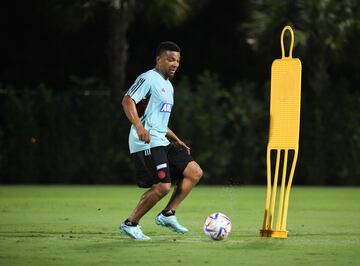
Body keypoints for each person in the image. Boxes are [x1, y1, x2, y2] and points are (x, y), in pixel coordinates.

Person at [120, 41, 203, 240]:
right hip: (146, 142)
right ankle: (130, 224)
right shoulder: (148, 78)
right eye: (170, 59)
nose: (175, 64)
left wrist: (177, 139)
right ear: (159, 59)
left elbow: (159, 121)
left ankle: (168, 214)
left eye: (177, 61)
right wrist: (139, 127)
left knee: (194, 172)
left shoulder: (168, 86)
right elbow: (127, 100)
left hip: (161, 140)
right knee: (163, 186)